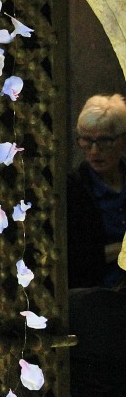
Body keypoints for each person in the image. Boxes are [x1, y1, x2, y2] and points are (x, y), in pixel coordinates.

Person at [67, 94, 126, 289]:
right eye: (87, 141)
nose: (94, 151)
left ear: (122, 141)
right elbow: (75, 260)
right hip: (96, 294)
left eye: (104, 141)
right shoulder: (74, 189)